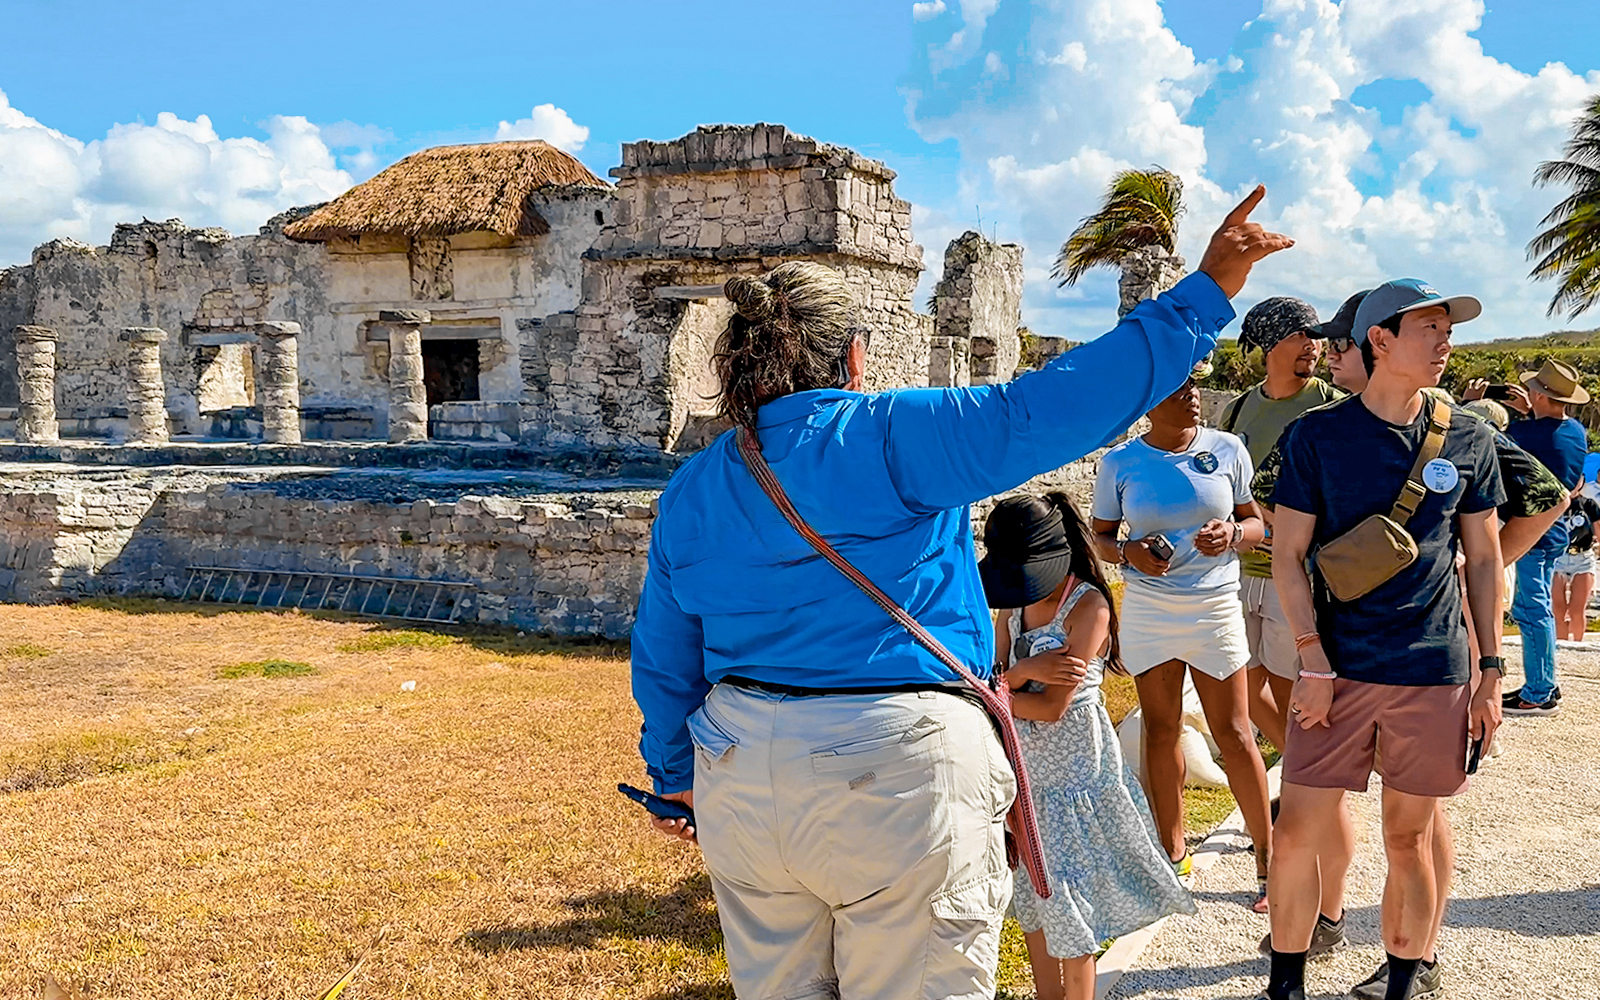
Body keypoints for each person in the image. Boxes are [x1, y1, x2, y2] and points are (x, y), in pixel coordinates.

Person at [630, 190, 1291, 1000]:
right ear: (855, 359)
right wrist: (1209, 289)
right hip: (892, 762)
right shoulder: (887, 434)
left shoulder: (696, 486)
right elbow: (1052, 408)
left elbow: (664, 654)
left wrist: (672, 773)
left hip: (739, 762)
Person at [1249, 290, 1569, 998]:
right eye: (1430, 327)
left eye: (1448, 329)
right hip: (1338, 666)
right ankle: (1285, 987)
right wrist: (1311, 659)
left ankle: (1402, 983)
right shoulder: (1317, 436)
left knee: (1410, 837)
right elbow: (1288, 555)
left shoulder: (1471, 438)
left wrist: (1490, 669)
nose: (1445, 340)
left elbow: (1484, 559)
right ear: (1380, 340)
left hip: (1433, 668)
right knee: (1297, 832)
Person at [981, 493, 1194, 1000]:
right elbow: (996, 683)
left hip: (1076, 776)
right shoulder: (1015, 599)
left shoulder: (1089, 605)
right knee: (1034, 895)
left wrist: (1006, 689)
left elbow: (1051, 707)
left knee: (1069, 899)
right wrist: (1025, 673)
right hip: (1028, 776)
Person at [1091, 360, 1275, 913]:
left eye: (1195, 385)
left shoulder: (1228, 448)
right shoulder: (1120, 463)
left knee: (1236, 732)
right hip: (1150, 608)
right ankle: (1172, 854)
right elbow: (1100, 538)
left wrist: (1235, 532)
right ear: (1148, 403)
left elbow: (1258, 524)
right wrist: (1129, 554)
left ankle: (1268, 854)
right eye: (1178, 389)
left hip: (1216, 605)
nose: (1193, 395)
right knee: (1161, 729)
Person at [1218, 297, 1342, 754]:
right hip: (1238, 572)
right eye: (1300, 335)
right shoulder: (1235, 412)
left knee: (1298, 692)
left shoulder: (1333, 409)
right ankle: (1299, 768)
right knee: (1244, 691)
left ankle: (1305, 789)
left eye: (1316, 335)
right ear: (1270, 342)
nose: (1313, 345)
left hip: (1297, 576)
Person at [1467, 359, 1589, 715]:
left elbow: (1485, 438)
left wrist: (1470, 403)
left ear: (1540, 395)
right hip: (1556, 532)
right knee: (1541, 609)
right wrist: (1532, 410)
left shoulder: (1528, 435)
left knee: (1531, 610)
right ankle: (1544, 684)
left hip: (1532, 534)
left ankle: (1539, 692)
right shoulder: (1575, 432)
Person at [1551, 490, 1600, 640]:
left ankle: (1577, 643)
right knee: (1558, 608)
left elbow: (1598, 528)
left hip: (1583, 557)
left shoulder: (1589, 504)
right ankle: (1561, 644)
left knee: (1576, 609)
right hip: (1559, 557)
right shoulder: (1553, 503)